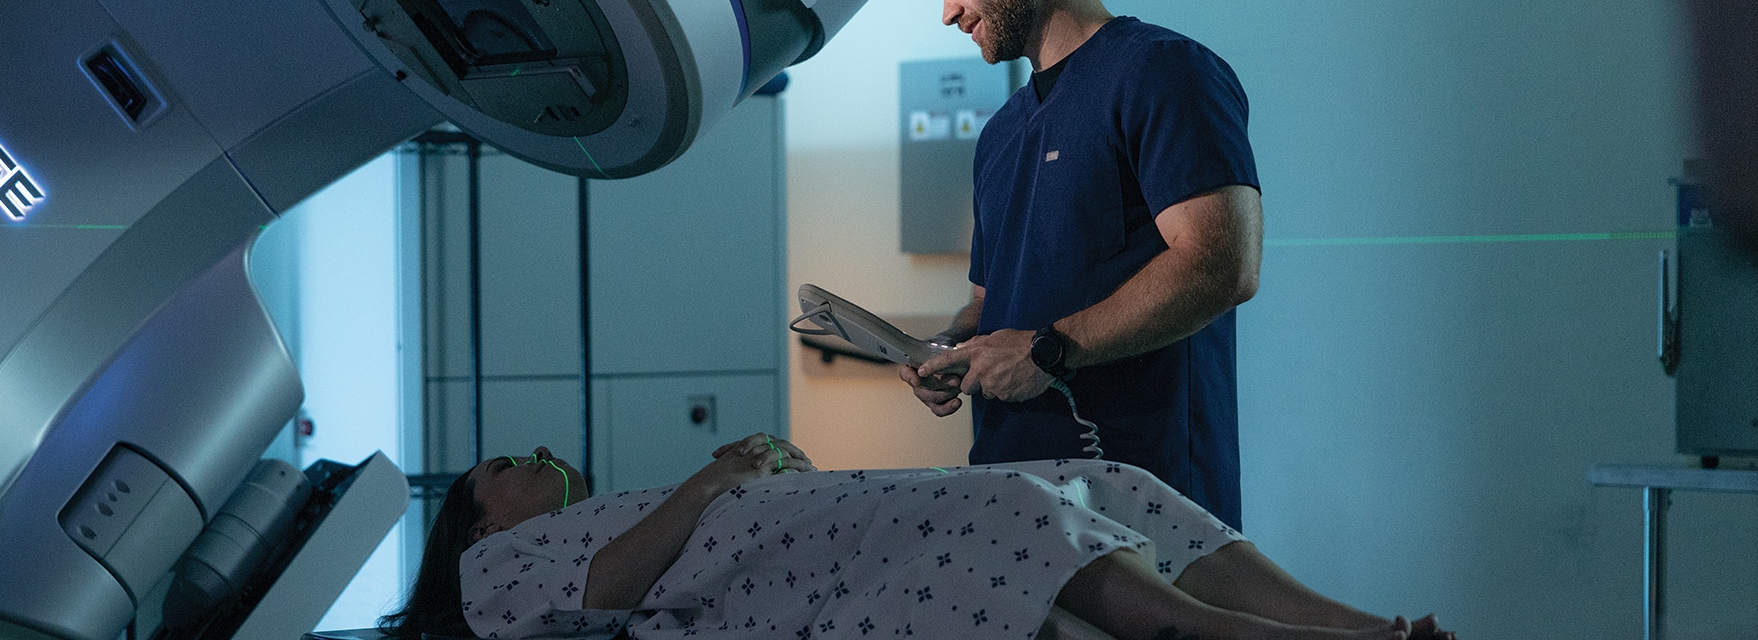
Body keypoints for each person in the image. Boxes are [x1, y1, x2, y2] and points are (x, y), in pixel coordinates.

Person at [897, 0, 1263, 530]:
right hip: (1011, 490)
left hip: (1147, 492)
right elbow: (993, 302)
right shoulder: (1002, 132)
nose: (949, 11)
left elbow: (1221, 265)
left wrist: (1047, 351)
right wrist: (951, 346)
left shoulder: (1164, 73)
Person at [380, 433, 1452, 640]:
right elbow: (600, 598)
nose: (527, 460)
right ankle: (1233, 637)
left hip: (822, 521)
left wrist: (760, 475)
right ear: (480, 521)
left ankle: (1356, 624)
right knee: (1010, 514)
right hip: (796, 575)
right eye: (502, 470)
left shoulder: (587, 507)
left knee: (1101, 479)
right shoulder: (491, 571)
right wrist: (716, 479)